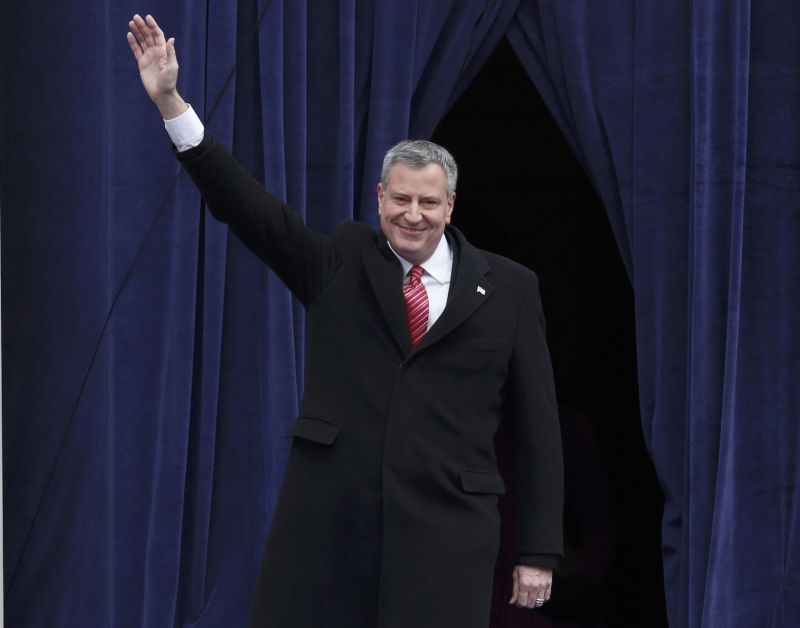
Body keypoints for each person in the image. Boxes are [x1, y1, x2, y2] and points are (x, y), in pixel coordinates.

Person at [127, 14, 564, 628]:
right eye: (401, 200)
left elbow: (540, 430)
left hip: (446, 534)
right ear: (380, 197)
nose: (413, 215)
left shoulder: (511, 289)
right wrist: (173, 104)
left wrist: (537, 552)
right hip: (329, 531)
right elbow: (244, 206)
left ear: (451, 206)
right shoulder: (339, 262)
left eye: (428, 203)